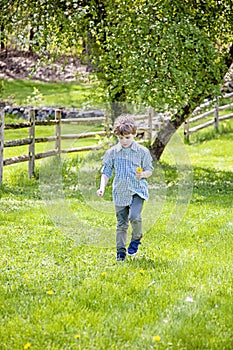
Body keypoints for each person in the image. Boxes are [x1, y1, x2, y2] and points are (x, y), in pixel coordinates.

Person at [97, 115, 153, 261]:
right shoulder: (112, 153)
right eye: (121, 138)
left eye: (127, 137)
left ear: (134, 134)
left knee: (134, 217)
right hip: (120, 192)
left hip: (137, 190)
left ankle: (136, 238)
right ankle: (120, 252)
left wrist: (143, 175)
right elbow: (106, 171)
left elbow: (149, 170)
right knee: (121, 224)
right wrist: (102, 187)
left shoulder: (142, 152)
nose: (124, 141)